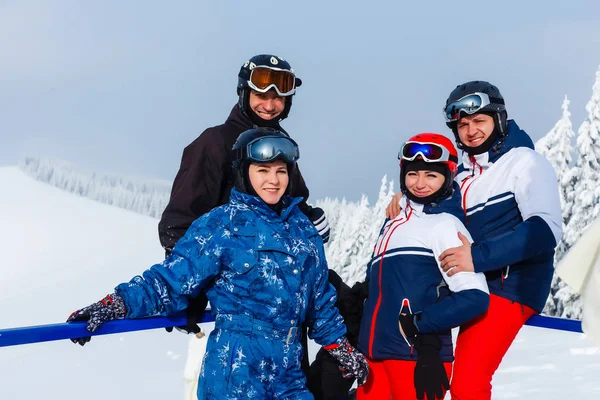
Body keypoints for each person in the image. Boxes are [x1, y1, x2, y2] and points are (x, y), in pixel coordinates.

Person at [67, 129, 368, 400]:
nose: (273, 180)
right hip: (236, 374)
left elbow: (319, 302)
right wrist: (115, 303)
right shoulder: (222, 225)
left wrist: (339, 347)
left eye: (280, 171)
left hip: (288, 374)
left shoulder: (301, 230)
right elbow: (169, 281)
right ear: (244, 172)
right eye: (262, 170)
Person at [386, 82, 562, 399]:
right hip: (466, 287)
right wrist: (407, 199)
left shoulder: (524, 163)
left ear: (499, 118)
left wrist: (477, 258)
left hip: (509, 286)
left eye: (479, 121)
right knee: (419, 372)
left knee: (468, 384)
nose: (471, 131)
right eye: (463, 124)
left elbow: (545, 230)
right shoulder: (463, 174)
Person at [157, 54, 329, 340]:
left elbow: (290, 204)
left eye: (279, 98)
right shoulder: (214, 143)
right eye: (261, 95)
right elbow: (181, 220)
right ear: (244, 92)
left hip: (277, 304)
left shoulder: (281, 145)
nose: (270, 105)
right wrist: (187, 289)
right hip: (227, 305)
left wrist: (309, 218)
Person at [357, 133, 490, 400]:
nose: (420, 184)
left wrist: (419, 325)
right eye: (413, 174)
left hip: (417, 358)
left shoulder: (445, 225)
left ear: (447, 177)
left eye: (431, 175)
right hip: (374, 357)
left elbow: (475, 297)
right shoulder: (393, 223)